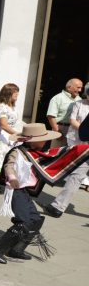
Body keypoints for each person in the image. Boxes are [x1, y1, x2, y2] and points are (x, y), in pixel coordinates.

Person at [0, 123, 76, 263]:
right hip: (15, 190)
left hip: (24, 191)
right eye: (43, 138)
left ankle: (16, 249)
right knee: (23, 222)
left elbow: (59, 155)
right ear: (32, 140)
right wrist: (12, 177)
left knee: (35, 220)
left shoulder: (38, 153)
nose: (46, 141)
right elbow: (8, 165)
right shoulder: (18, 152)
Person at [45, 83, 89, 217]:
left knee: (76, 175)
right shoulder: (79, 104)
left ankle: (57, 206)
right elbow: (73, 120)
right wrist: (84, 129)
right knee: (76, 176)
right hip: (82, 145)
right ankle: (58, 207)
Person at [46, 78, 83, 148]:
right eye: (78, 87)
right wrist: (57, 131)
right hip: (60, 128)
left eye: (81, 88)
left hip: (73, 131)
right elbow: (51, 116)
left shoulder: (79, 99)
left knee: (70, 153)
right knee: (56, 153)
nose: (80, 90)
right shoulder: (57, 98)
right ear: (69, 87)